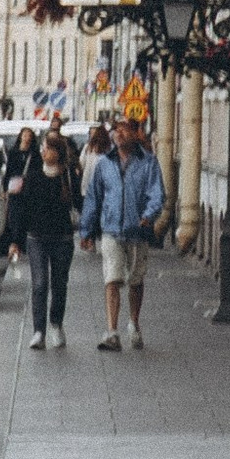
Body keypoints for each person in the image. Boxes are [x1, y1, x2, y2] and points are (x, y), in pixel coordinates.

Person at [81, 114, 165, 350]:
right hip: (111, 230)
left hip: (137, 231)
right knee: (112, 279)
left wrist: (148, 216)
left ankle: (134, 323)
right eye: (116, 129)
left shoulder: (148, 162)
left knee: (135, 280)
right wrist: (86, 230)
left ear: (135, 133)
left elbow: (157, 194)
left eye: (125, 129)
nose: (119, 134)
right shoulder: (104, 164)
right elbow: (93, 198)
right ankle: (112, 331)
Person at [9, 123, 78, 352]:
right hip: (36, 237)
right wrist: (16, 241)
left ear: (56, 152)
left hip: (62, 239)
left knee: (59, 284)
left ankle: (56, 324)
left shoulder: (67, 177)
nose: (42, 151)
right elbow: (22, 209)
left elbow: (79, 202)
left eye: (47, 148)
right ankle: (38, 331)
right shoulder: (34, 177)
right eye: (43, 148)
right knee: (39, 284)